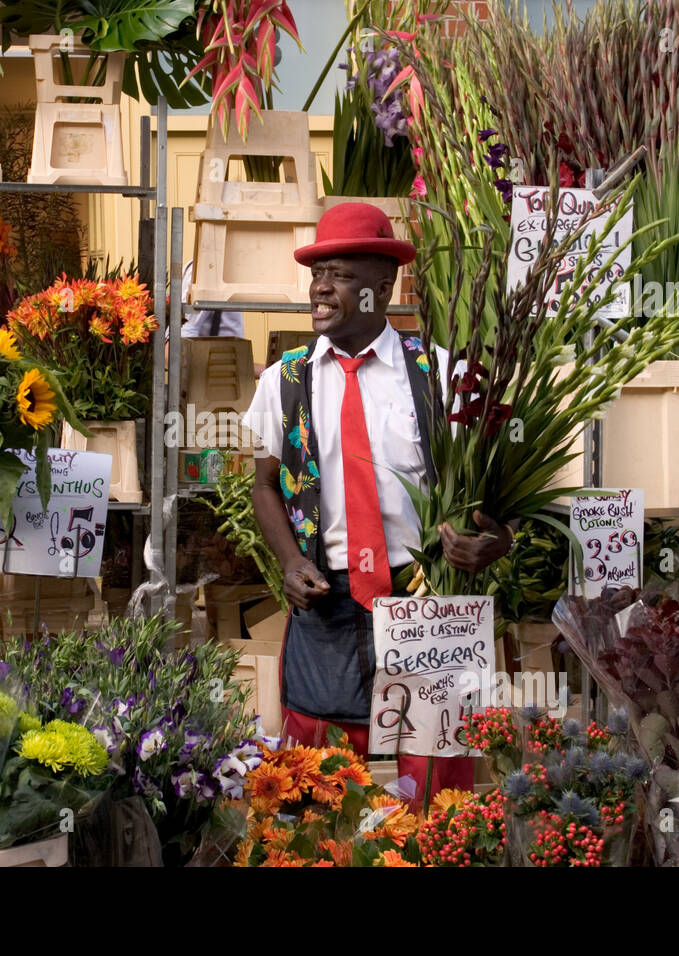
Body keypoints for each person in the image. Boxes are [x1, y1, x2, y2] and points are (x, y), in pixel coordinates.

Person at [242, 202, 513, 804]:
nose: (319, 286)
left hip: (426, 596)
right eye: (316, 273)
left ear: (381, 288)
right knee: (318, 787)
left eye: (338, 273)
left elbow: (493, 493)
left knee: (438, 777)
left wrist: (494, 538)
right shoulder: (282, 382)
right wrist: (290, 561)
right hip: (326, 600)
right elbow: (263, 484)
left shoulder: (443, 375)